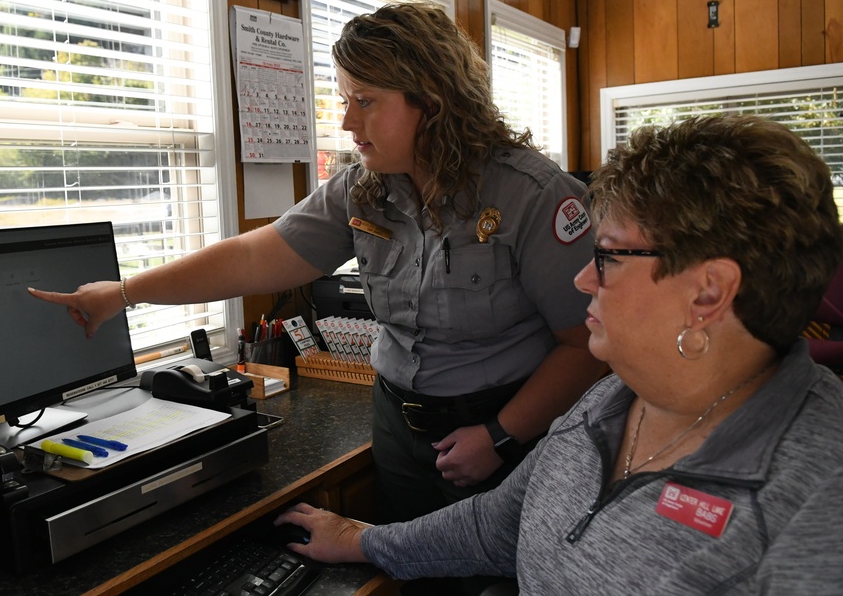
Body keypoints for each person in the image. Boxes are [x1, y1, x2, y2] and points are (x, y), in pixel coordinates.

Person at [29, 2, 603, 540]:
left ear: (431, 100)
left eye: (366, 100)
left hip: (511, 427)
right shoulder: (363, 187)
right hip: (399, 426)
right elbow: (257, 256)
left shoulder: (534, 195)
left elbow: (586, 345)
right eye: (344, 98)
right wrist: (126, 292)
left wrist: (501, 435)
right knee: (411, 578)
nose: (348, 120)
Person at [274, 114, 843, 594]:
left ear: (709, 292)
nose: (582, 281)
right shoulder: (611, 399)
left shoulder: (819, 499)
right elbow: (497, 525)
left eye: (611, 257)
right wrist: (360, 539)